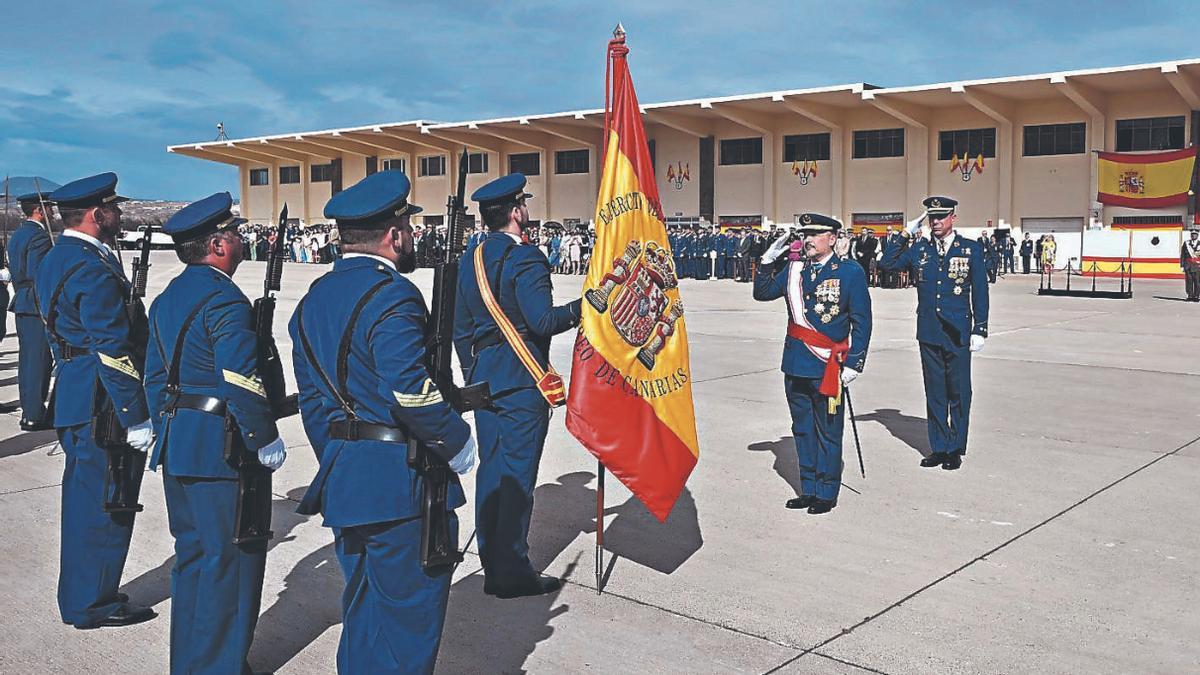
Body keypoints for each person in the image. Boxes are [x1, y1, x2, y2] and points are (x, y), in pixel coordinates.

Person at [291, 170, 476, 673]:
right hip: (402, 483)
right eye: (409, 229)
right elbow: (410, 391)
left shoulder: (312, 300)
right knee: (408, 626)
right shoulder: (393, 295)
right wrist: (456, 441)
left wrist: (341, 454)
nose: (414, 238)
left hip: (348, 478)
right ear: (394, 236)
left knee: (364, 612)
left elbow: (313, 402)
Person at [144, 192, 287, 673]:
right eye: (236, 233)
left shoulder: (167, 297)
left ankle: (191, 662)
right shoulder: (225, 300)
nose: (243, 239)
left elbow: (152, 377)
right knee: (230, 563)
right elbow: (241, 380)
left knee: (194, 560)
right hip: (221, 450)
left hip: (181, 442)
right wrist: (264, 436)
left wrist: (165, 427)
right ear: (218, 244)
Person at [452, 173, 582, 598]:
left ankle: (493, 560)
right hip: (522, 382)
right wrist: (585, 307)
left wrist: (473, 375)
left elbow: (458, 328)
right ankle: (510, 571)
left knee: (492, 471)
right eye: (523, 203)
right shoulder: (526, 258)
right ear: (515, 211)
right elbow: (543, 321)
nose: (526, 209)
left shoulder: (472, 258)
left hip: (485, 380)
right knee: (518, 477)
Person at [37, 173, 156, 628]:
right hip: (101, 401)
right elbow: (112, 348)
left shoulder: (61, 256)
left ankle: (88, 590)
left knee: (88, 500)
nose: (121, 215)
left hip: (75, 387)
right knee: (107, 502)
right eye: (115, 209)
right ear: (96, 214)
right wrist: (135, 414)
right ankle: (92, 601)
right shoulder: (90, 266)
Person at [753, 214, 871, 513]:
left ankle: (826, 491)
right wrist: (767, 259)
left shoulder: (849, 272)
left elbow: (862, 321)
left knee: (828, 431)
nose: (808, 239)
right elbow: (762, 292)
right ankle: (808, 488)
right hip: (795, 363)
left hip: (827, 366)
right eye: (805, 234)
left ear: (832, 238)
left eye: (815, 234)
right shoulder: (794, 271)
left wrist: (855, 363)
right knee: (802, 428)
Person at [878, 196, 989, 471]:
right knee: (935, 391)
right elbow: (887, 264)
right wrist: (905, 233)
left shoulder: (970, 249)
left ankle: (955, 447)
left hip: (958, 331)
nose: (936, 222)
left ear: (953, 217)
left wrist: (980, 328)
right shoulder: (920, 249)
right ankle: (938, 447)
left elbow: (980, 291)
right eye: (931, 218)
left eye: (941, 217)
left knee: (959, 392)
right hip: (929, 330)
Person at [8, 191, 56, 430]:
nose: (53, 212)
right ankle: (34, 415)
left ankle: (31, 410)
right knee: (39, 361)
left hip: (23, 302)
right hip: (36, 304)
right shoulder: (39, 237)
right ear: (39, 209)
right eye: (49, 208)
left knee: (28, 360)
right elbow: (40, 276)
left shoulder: (19, 234)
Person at [1182, 230, 1200, 301]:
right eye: (1192, 234)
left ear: (1197, 235)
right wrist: (1182, 265)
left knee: (1197, 281)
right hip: (1188, 265)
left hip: (1197, 266)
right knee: (1189, 281)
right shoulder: (1186, 243)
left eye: (1195, 234)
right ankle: (1190, 295)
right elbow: (1183, 255)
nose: (1193, 236)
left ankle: (1196, 296)